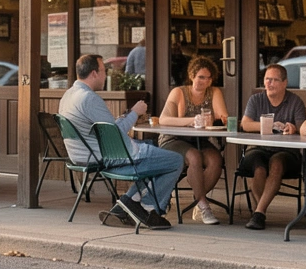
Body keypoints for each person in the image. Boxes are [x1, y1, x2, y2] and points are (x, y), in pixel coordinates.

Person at [59, 54, 183, 229]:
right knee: (175, 160)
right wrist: (135, 112)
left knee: (154, 152)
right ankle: (147, 208)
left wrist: (125, 117)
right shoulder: (89, 98)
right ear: (94, 73)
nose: (105, 75)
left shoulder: (68, 95)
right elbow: (114, 136)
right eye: (104, 70)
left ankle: (126, 204)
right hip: (108, 155)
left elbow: (107, 130)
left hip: (84, 154)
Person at [157, 55, 228, 225]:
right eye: (200, 77)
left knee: (215, 159)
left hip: (199, 139)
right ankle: (204, 206)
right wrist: (192, 120)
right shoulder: (179, 92)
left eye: (208, 78)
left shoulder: (214, 92)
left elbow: (222, 116)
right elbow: (164, 119)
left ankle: (198, 197)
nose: (203, 81)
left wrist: (219, 118)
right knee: (194, 157)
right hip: (174, 139)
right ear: (192, 76)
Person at [238, 63, 306, 230]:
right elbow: (245, 124)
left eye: (274, 80)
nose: (269, 83)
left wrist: (294, 128)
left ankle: (259, 212)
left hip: (286, 152)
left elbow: (303, 128)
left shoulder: (295, 101)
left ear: (284, 83)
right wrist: (267, 125)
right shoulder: (256, 99)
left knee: (276, 164)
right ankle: (259, 213)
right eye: (267, 79)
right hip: (258, 148)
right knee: (259, 168)